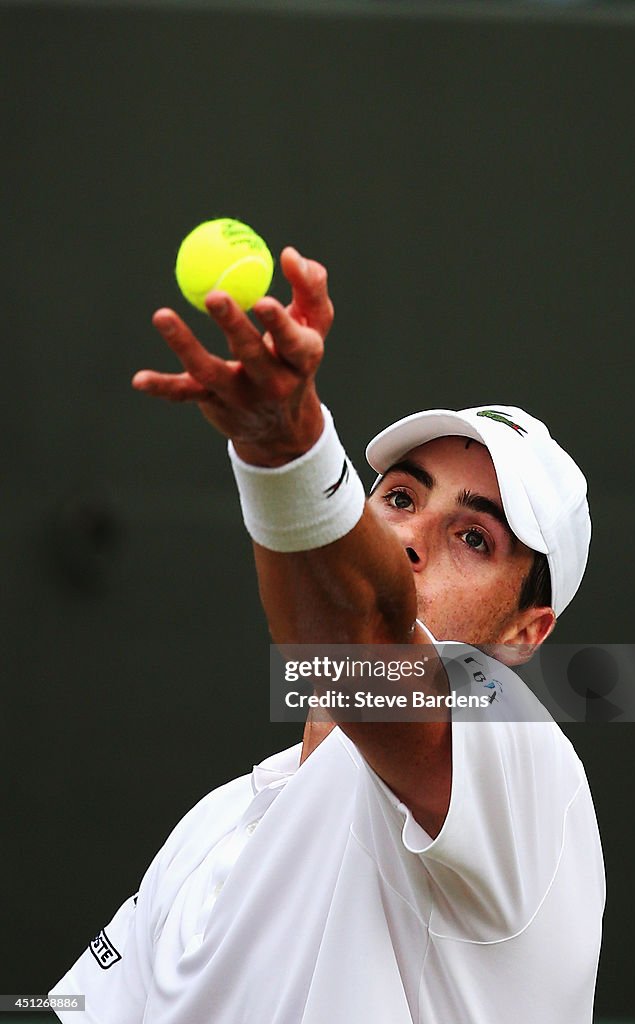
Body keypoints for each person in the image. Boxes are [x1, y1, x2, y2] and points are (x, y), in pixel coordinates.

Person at [50, 247, 605, 1023]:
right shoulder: (217, 824)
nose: (412, 537)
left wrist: (285, 449)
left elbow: (364, 639)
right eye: (402, 497)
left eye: (474, 537)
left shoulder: (527, 768)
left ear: (524, 632)